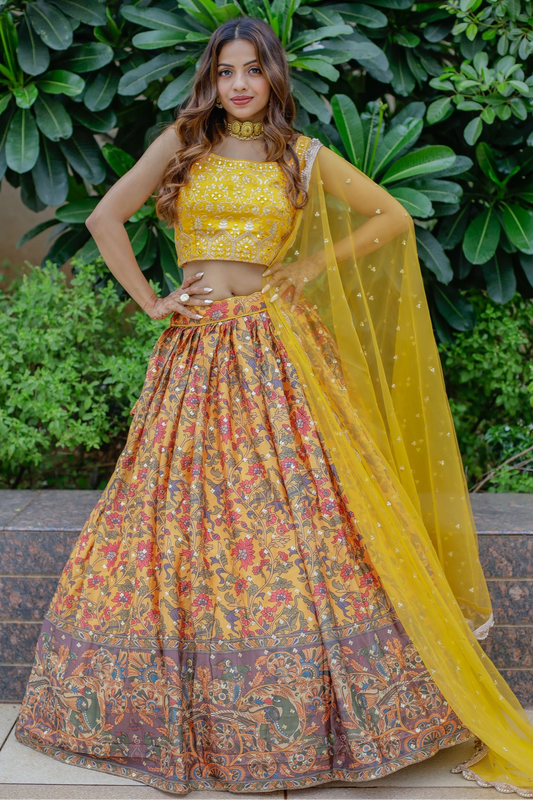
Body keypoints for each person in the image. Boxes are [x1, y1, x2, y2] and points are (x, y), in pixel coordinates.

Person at [14, 16, 533, 797]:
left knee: (302, 522)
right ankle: (184, 713)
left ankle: (327, 716)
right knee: (173, 520)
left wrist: (313, 263)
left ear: (273, 76)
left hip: (277, 352)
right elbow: (103, 217)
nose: (239, 84)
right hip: (195, 355)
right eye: (225, 71)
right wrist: (153, 302)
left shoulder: (301, 155)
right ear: (210, 78)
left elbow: (392, 216)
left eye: (252, 70)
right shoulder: (183, 143)